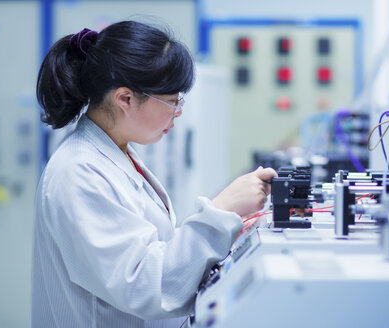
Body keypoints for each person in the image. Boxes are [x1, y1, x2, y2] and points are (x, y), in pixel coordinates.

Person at [31, 20, 277, 328]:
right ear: (125, 99)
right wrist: (221, 211)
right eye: (173, 101)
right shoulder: (78, 172)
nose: (179, 111)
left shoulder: (116, 153)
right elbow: (146, 285)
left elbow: (152, 253)